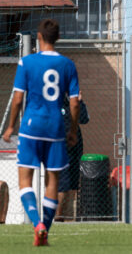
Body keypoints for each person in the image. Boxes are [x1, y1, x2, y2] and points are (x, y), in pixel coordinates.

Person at [3, 19, 80, 246]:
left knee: (25, 179)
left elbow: (18, 99)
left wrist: (10, 126)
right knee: (52, 180)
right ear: (57, 38)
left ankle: (36, 223)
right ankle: (45, 230)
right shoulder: (68, 64)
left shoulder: (27, 62)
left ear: (39, 36)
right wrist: (73, 130)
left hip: (31, 126)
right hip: (56, 127)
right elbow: (74, 104)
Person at [55, 91, 89, 222]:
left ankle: (69, 217)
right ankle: (58, 217)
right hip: (60, 149)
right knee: (62, 184)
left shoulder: (74, 102)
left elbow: (84, 119)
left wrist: (80, 101)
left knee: (73, 185)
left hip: (75, 149)